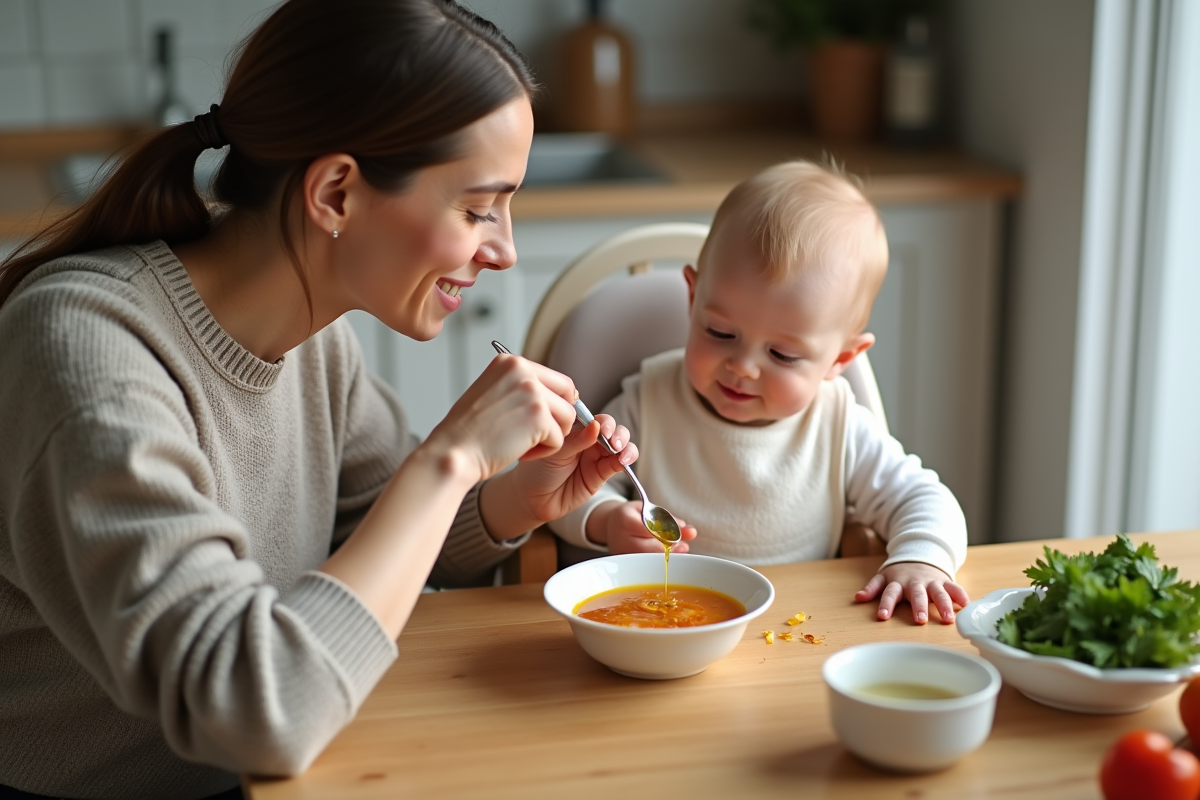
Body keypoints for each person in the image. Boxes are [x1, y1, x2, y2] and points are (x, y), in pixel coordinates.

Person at [0, 1, 641, 798]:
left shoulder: (316, 338)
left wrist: (510, 498)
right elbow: (253, 710)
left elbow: (380, 542)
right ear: (336, 193)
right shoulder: (88, 351)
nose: (505, 250)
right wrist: (450, 459)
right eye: (478, 208)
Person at [548, 160, 970, 626]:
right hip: (663, 625)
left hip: (800, 629)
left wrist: (921, 558)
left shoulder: (838, 425)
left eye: (783, 355)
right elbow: (567, 491)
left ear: (839, 361)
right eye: (720, 332)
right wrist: (607, 521)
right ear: (692, 300)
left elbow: (924, 498)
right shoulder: (647, 401)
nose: (743, 367)